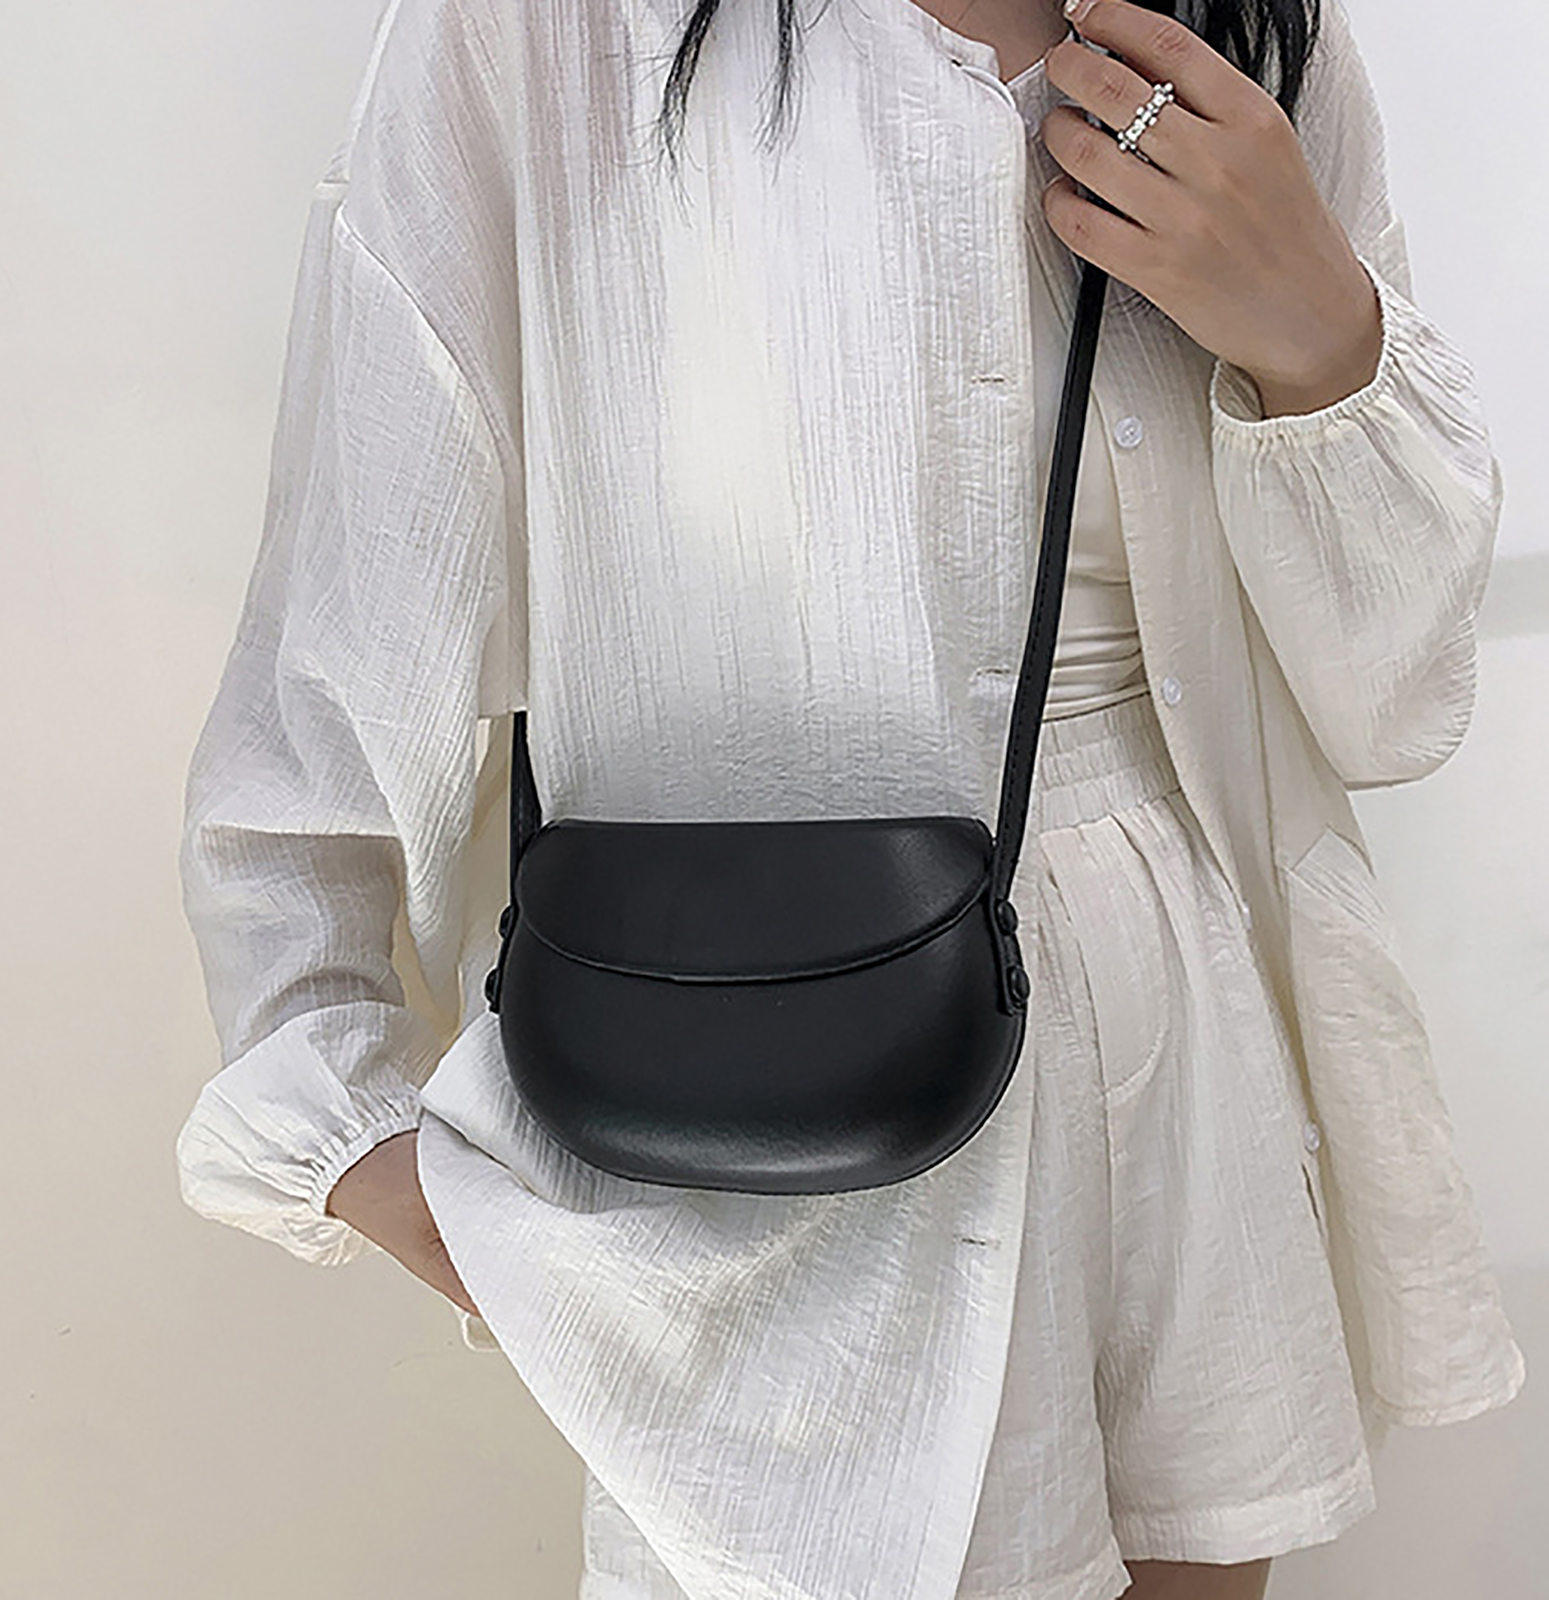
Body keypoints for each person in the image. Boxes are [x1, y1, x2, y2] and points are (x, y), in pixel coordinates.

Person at [174, 0, 1526, 1596]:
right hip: (776, 1081)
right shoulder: (546, 31)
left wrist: (1319, 340)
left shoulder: (1244, 29)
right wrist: (344, 1111)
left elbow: (1389, 698)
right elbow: (353, 600)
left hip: (1191, 1018)